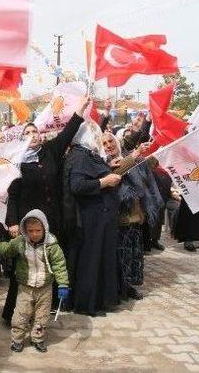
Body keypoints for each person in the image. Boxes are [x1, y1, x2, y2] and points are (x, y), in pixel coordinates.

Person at [2, 96, 88, 323]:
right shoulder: (16, 162)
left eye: (36, 132)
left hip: (52, 221)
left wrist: (79, 109)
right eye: (28, 133)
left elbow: (68, 132)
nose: (33, 136)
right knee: (26, 266)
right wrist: (12, 222)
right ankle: (15, 311)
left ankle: (43, 309)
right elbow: (13, 194)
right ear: (20, 139)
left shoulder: (50, 151)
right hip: (28, 223)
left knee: (48, 264)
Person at [68, 122, 122, 316]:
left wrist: (108, 167)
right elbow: (77, 185)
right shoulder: (80, 155)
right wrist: (104, 181)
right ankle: (87, 303)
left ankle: (100, 299)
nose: (98, 138)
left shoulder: (87, 154)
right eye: (94, 134)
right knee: (91, 260)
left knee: (100, 258)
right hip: (91, 218)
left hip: (100, 217)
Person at [0, 210, 69, 353]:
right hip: (25, 287)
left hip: (45, 287)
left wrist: (62, 284)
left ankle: (37, 338)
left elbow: (59, 265)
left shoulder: (52, 245)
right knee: (20, 315)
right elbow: (7, 251)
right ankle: (17, 339)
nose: (35, 234)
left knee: (42, 316)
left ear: (45, 228)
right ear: (24, 230)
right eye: (30, 230)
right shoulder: (20, 242)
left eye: (38, 230)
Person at [102, 133, 162, 300]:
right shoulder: (103, 163)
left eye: (111, 141)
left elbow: (148, 168)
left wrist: (157, 152)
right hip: (118, 219)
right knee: (120, 256)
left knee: (134, 254)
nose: (108, 145)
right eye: (104, 143)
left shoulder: (132, 158)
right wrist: (134, 155)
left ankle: (129, 287)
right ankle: (120, 288)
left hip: (135, 217)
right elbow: (117, 171)